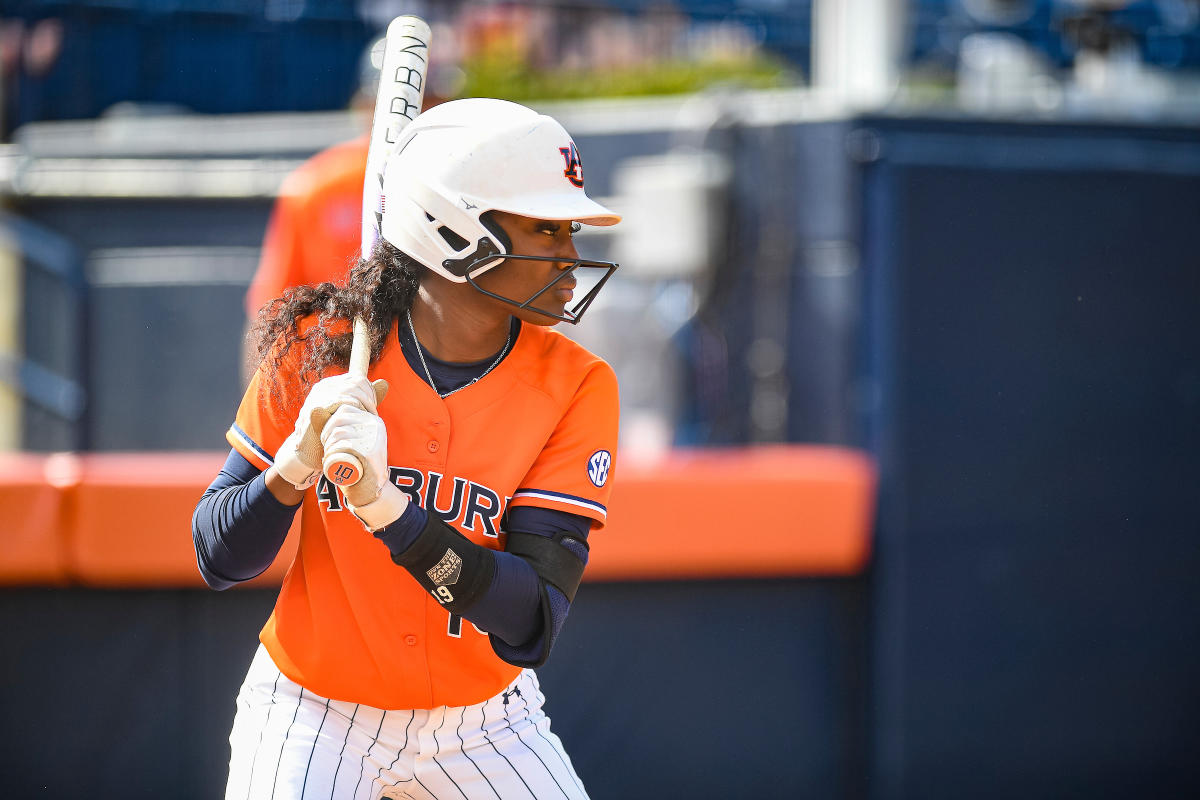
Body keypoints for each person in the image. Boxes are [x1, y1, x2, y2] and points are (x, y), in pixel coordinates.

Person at [193, 98, 620, 800]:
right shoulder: (318, 349)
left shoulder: (577, 384)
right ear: (456, 233)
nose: (570, 254)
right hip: (312, 710)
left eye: (569, 227)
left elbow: (531, 620)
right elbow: (218, 557)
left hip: (486, 724)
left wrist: (392, 511)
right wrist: (296, 462)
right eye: (547, 227)